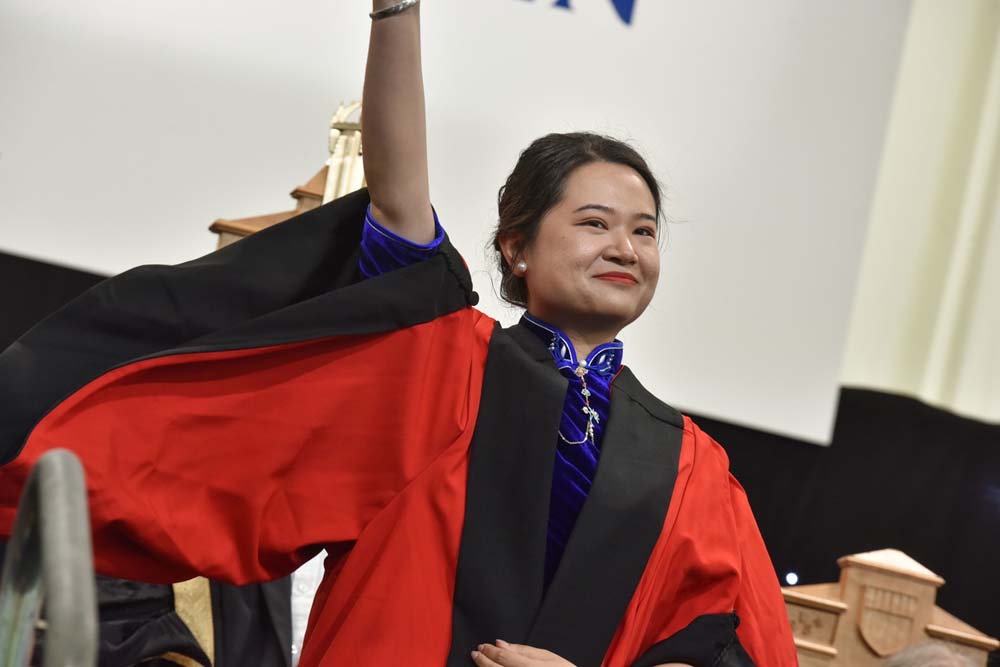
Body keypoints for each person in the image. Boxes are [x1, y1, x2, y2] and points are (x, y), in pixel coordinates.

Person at [0, 1, 797, 665]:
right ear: (515, 246)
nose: (624, 246)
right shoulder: (445, 368)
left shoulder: (693, 469)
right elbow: (398, 200)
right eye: (594, 223)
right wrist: (397, 12)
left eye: (644, 231)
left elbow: (729, 645)